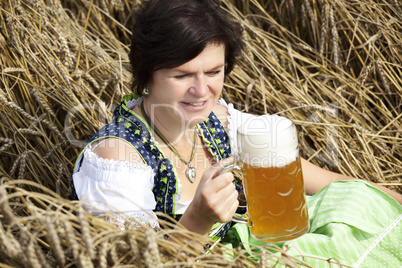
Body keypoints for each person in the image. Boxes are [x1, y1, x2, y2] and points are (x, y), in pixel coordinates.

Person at [71, 0, 402, 266]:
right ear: (147, 74)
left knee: (356, 202)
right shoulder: (116, 157)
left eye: (214, 71)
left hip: (247, 250)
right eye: (182, 75)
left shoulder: (221, 119)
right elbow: (136, 263)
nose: (202, 90)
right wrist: (198, 218)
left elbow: (315, 178)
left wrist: (391, 200)